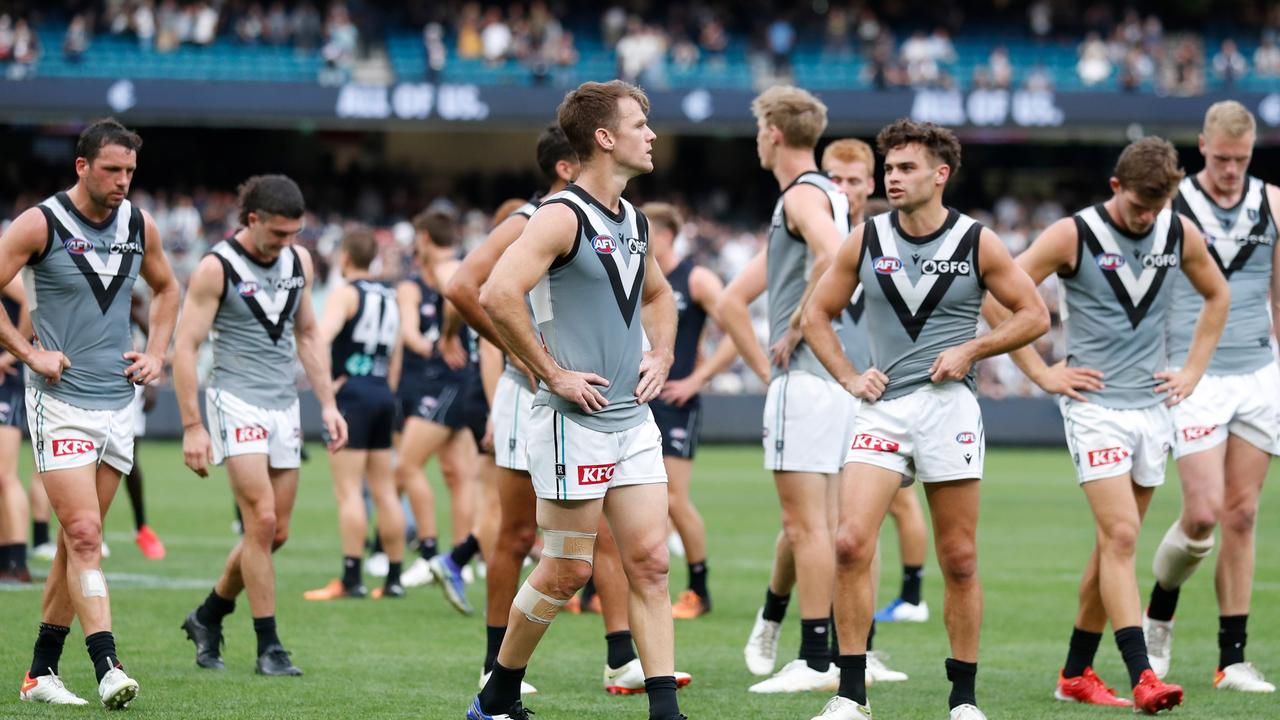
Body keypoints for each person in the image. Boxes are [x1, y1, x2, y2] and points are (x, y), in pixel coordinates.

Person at [803, 118, 1049, 720]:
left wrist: (972, 349)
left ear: (941, 175)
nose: (893, 177)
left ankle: (962, 700)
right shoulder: (864, 239)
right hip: (881, 409)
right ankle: (850, 696)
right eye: (889, 168)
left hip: (950, 410)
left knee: (960, 557)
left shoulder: (977, 241)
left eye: (906, 168)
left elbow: (1034, 314)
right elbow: (816, 316)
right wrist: (849, 376)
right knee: (849, 542)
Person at [985, 136, 1227, 713]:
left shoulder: (1179, 232)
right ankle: (1144, 675)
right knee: (1121, 538)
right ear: (1116, 187)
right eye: (1140, 203)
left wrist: (1192, 370)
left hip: (1152, 410)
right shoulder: (1074, 233)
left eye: (1158, 205)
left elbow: (1217, 296)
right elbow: (997, 292)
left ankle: (1074, 673)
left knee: (1111, 545)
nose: (1147, 216)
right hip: (1094, 409)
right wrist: (1041, 372)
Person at [468, 79, 684, 720]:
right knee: (568, 572)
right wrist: (551, 373)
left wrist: (663, 354)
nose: (652, 135)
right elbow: (495, 294)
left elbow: (660, 298)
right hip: (573, 423)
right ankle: (500, 691)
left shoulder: (636, 222)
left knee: (649, 562)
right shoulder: (561, 214)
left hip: (632, 420)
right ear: (605, 137)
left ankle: (664, 710)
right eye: (640, 124)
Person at [0, 118, 180, 708]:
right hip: (58, 402)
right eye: (112, 169)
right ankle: (108, 664)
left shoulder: (139, 224)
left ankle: (39, 674)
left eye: (130, 170)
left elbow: (167, 289)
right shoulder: (40, 222)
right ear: (82, 166)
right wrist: (29, 352)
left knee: (78, 543)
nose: (123, 181)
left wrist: (157, 353)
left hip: (116, 404)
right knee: (83, 535)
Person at [717, 85, 860, 695]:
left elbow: (833, 257)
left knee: (805, 527)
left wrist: (802, 318)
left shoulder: (802, 196)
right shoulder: (831, 193)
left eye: (757, 131)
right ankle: (809, 646)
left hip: (807, 380)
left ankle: (814, 656)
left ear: (773, 133)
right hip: (831, 381)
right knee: (821, 527)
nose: (756, 141)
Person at [175, 174, 347, 676]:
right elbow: (186, 347)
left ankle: (208, 615)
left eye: (295, 233)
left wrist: (329, 405)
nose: (287, 244)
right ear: (252, 220)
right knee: (262, 521)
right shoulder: (215, 267)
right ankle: (269, 646)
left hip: (283, 405)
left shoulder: (300, 261)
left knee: (276, 533)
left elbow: (310, 334)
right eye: (278, 234)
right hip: (235, 399)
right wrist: (191, 425)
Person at [1143, 100, 1278, 693]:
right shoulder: (1174, 204)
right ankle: (1159, 612)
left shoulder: (1272, 202)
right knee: (1201, 515)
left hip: (1257, 370)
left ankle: (1233, 659)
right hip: (1192, 373)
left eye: (1241, 160)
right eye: (1222, 158)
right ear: (1203, 146)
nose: (1230, 170)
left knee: (1242, 515)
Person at [642, 201, 739, 620]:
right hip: (635, 402)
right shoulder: (633, 276)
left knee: (675, 499)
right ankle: (595, 590)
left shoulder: (696, 278)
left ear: (665, 235)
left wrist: (698, 379)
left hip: (676, 403)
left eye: (645, 233)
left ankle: (699, 590)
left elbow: (738, 333)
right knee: (620, 497)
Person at [303, 227, 407, 600]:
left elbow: (321, 337)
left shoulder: (345, 292)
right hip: (382, 392)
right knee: (385, 491)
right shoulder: (390, 295)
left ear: (345, 257)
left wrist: (328, 385)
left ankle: (352, 578)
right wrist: (386, 390)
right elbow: (395, 354)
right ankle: (394, 578)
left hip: (353, 395)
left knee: (348, 492)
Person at [393, 206, 486, 612]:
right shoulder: (428, 278)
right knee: (457, 473)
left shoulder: (451, 270)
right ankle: (458, 560)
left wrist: (444, 339)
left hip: (451, 382)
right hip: (456, 380)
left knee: (407, 466)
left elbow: (451, 306)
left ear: (425, 239)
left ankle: (431, 554)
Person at [125, 291, 166, 560]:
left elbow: (151, 330)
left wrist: (151, 379)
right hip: (79, 375)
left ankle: (141, 528)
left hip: (124, 377)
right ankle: (91, 532)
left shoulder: (128, 292)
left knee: (128, 458)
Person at [0, 277, 32, 583]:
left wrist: (13, 354)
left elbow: (28, 302)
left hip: (6, 379)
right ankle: (5, 558)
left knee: (5, 474)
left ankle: (17, 561)